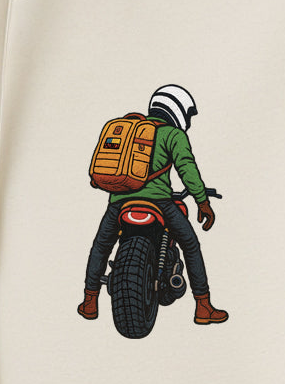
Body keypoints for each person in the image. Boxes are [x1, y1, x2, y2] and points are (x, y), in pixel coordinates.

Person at [79, 85, 228, 324]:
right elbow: (187, 170)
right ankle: (203, 306)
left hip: (119, 202)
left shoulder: (128, 131)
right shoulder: (173, 135)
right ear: (178, 110)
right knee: (190, 245)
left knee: (101, 246)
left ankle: (89, 301)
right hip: (159, 202)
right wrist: (203, 202)